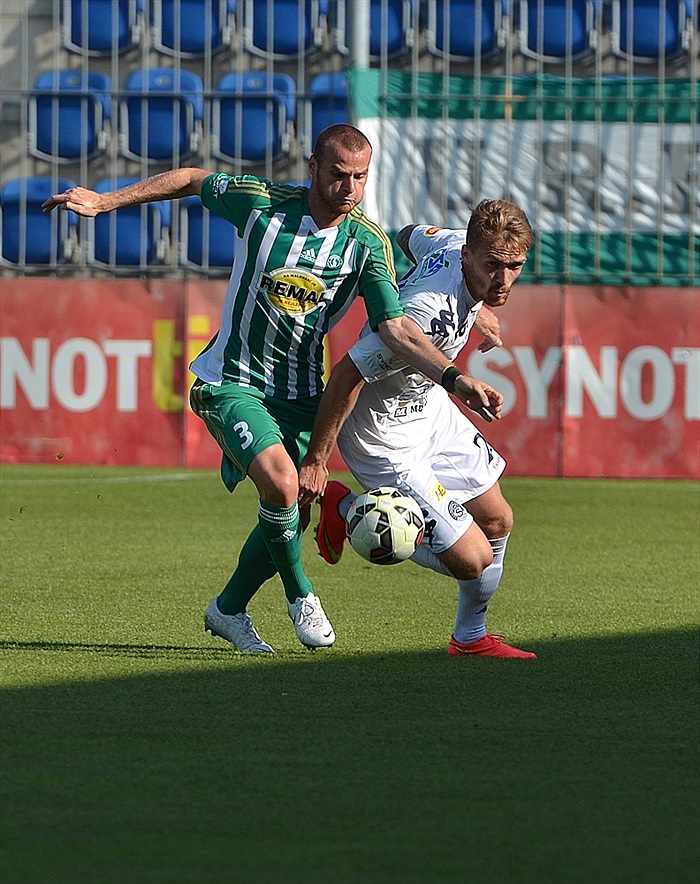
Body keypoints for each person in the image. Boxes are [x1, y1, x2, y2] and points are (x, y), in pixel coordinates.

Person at [42, 125, 503, 654]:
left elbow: (396, 327)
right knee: (284, 487)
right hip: (232, 380)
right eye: (336, 175)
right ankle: (300, 595)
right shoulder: (260, 204)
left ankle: (229, 609)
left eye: (359, 178)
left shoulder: (366, 243)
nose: (347, 189)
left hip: (303, 391)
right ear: (312, 167)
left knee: (296, 507)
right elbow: (192, 179)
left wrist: (470, 324)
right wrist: (104, 202)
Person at [298, 199, 538, 659]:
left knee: (498, 520)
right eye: (493, 266)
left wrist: (479, 305)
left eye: (514, 266)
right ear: (468, 255)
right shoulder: (425, 310)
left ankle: (469, 638)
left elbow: (406, 233)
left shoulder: (451, 244)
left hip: (429, 411)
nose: (503, 279)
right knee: (473, 560)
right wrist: (317, 460)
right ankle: (347, 508)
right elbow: (346, 375)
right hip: (383, 438)